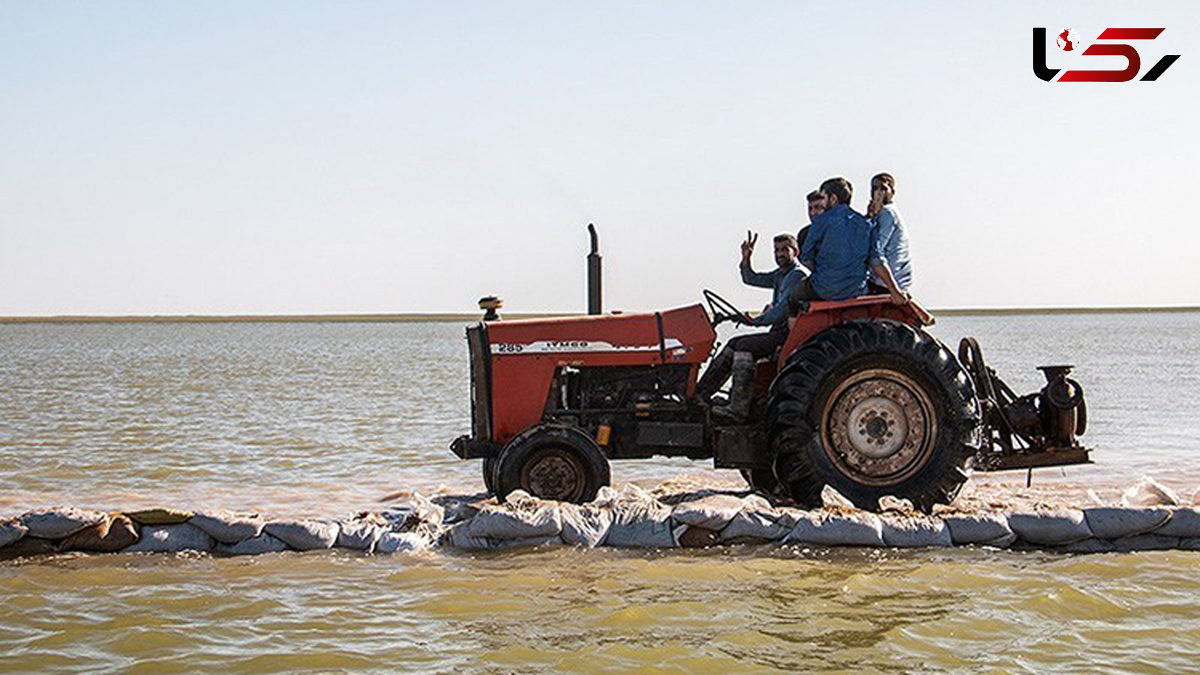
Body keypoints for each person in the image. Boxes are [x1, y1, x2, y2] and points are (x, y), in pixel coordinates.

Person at [697, 231, 807, 421]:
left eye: (784, 250)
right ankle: (700, 395)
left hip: (787, 334)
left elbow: (781, 310)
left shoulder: (797, 275)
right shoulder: (780, 275)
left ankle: (738, 408)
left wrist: (754, 321)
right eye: (776, 250)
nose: (779, 254)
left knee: (743, 346)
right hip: (778, 331)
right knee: (733, 343)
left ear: (795, 252)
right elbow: (751, 279)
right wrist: (746, 258)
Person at [787, 176, 907, 311]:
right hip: (856, 290)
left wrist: (825, 274)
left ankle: (794, 331)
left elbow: (806, 258)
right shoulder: (866, 224)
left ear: (833, 199)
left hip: (823, 289)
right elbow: (877, 260)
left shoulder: (820, 222)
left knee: (792, 300)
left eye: (824, 198)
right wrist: (895, 291)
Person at [866, 172, 912, 296]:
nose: (879, 193)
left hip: (887, 282)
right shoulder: (880, 214)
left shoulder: (887, 213)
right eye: (875, 188)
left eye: (884, 188)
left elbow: (876, 250)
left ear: (892, 192)